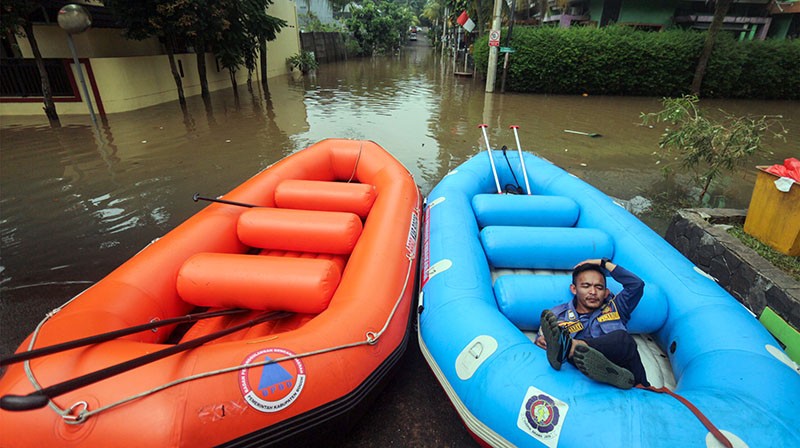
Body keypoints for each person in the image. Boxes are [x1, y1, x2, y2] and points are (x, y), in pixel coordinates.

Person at [535, 258, 650, 389]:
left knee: (623, 339)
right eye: (586, 286)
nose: (593, 292)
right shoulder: (557, 315)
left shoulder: (617, 306)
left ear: (606, 292)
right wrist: (542, 341)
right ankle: (576, 352)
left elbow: (637, 284)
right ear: (574, 289)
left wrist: (603, 263)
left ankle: (574, 347)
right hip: (581, 376)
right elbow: (542, 342)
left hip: (630, 376)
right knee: (569, 350)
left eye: (599, 287)